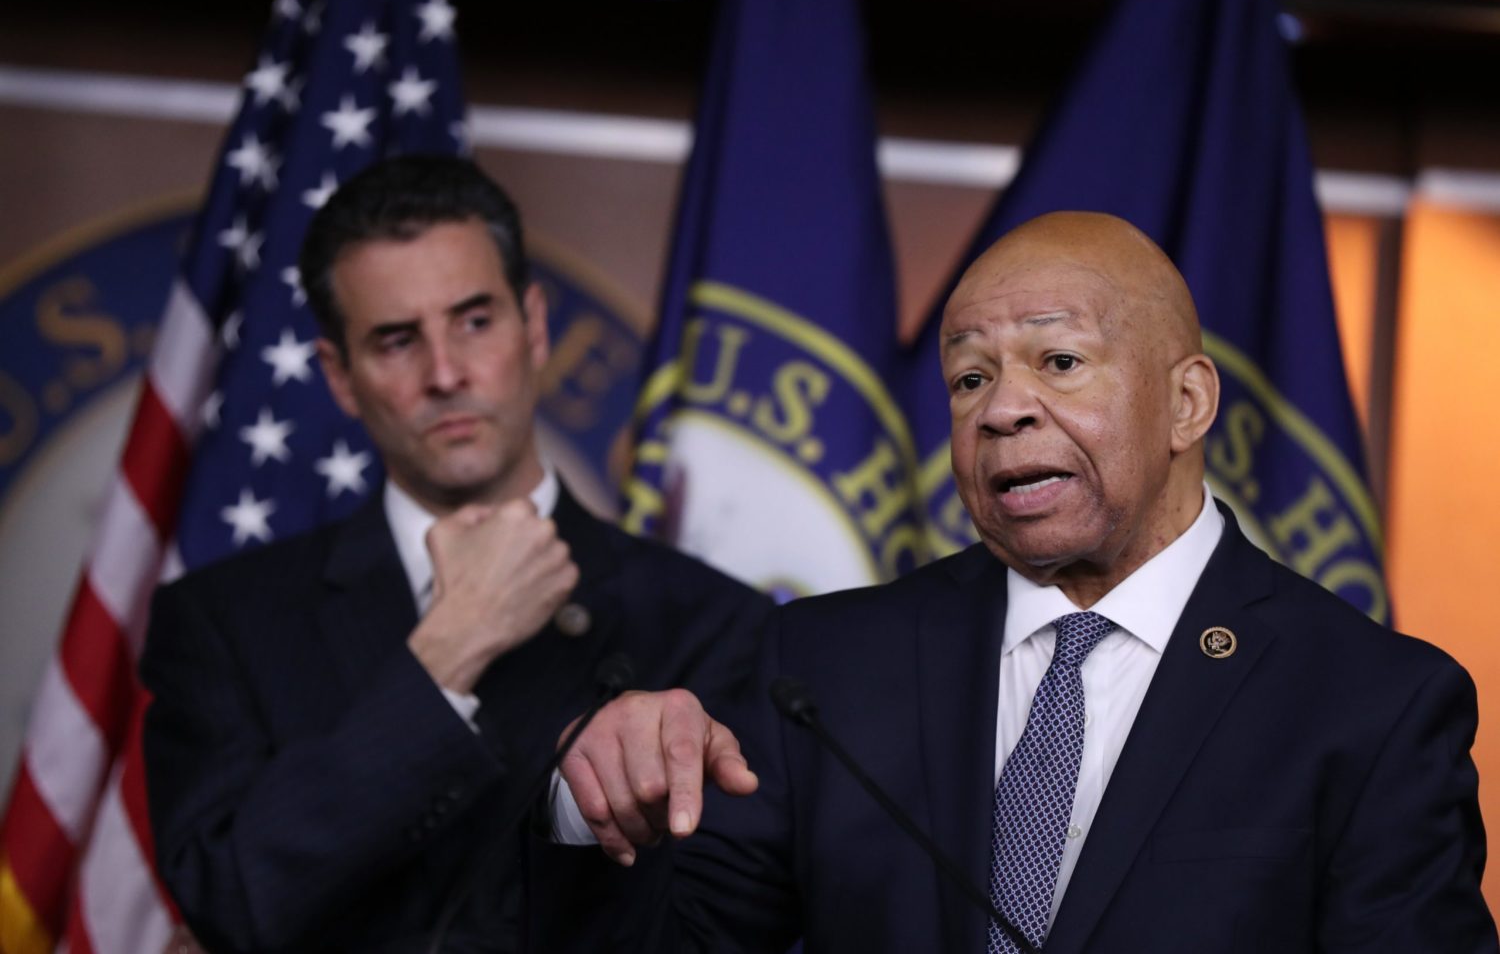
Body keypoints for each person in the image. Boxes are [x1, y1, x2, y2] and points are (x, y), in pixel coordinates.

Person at [546, 211, 1498, 952]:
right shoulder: (824, 667)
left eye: (1060, 361)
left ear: (1187, 402)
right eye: (970, 379)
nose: (1002, 409)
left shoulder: (1370, 703)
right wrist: (591, 809)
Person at [139, 154, 773, 953]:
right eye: (396, 340)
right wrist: (450, 646)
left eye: (474, 322)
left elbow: (733, 924)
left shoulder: (713, 623)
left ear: (533, 327)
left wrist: (578, 808)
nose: (445, 373)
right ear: (340, 376)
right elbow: (229, 902)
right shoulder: (223, 621)